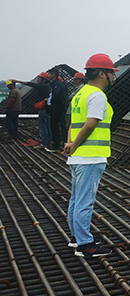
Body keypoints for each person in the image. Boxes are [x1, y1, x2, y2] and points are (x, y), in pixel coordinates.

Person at [64, 54, 117, 258]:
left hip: (79, 157)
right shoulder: (97, 95)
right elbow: (90, 124)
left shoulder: (80, 94)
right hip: (91, 157)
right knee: (85, 201)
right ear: (102, 73)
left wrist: (70, 144)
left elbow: (73, 123)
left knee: (76, 199)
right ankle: (85, 245)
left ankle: (76, 238)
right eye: (112, 73)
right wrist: (74, 145)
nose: (114, 77)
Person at [12, 73, 51, 149]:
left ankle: (44, 143)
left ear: (44, 80)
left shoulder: (42, 86)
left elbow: (30, 84)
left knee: (43, 126)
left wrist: (17, 81)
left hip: (42, 109)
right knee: (47, 126)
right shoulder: (48, 87)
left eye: (39, 78)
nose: (37, 79)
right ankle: (48, 142)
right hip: (47, 109)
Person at [47, 67, 69, 152]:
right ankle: (60, 143)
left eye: (49, 74)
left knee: (55, 127)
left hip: (57, 109)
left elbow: (56, 95)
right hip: (57, 108)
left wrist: (51, 102)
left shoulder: (57, 84)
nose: (48, 76)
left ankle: (57, 145)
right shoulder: (55, 84)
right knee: (57, 126)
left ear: (53, 75)